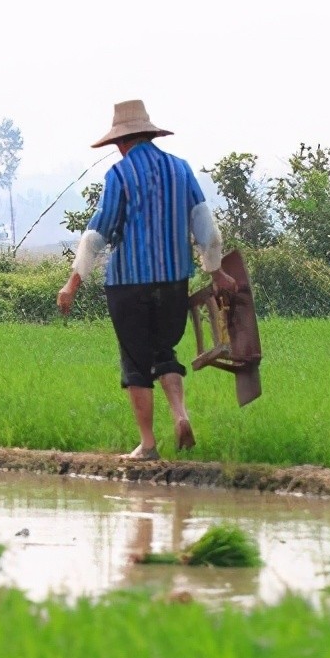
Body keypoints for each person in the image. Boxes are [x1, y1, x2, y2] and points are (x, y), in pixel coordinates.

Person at [57, 100, 237, 460]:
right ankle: (181, 414)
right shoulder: (181, 169)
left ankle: (148, 445)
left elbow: (97, 235)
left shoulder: (119, 176)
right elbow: (206, 228)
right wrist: (216, 271)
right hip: (174, 281)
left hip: (128, 283)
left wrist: (72, 283)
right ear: (150, 135)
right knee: (164, 352)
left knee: (136, 363)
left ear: (121, 142)